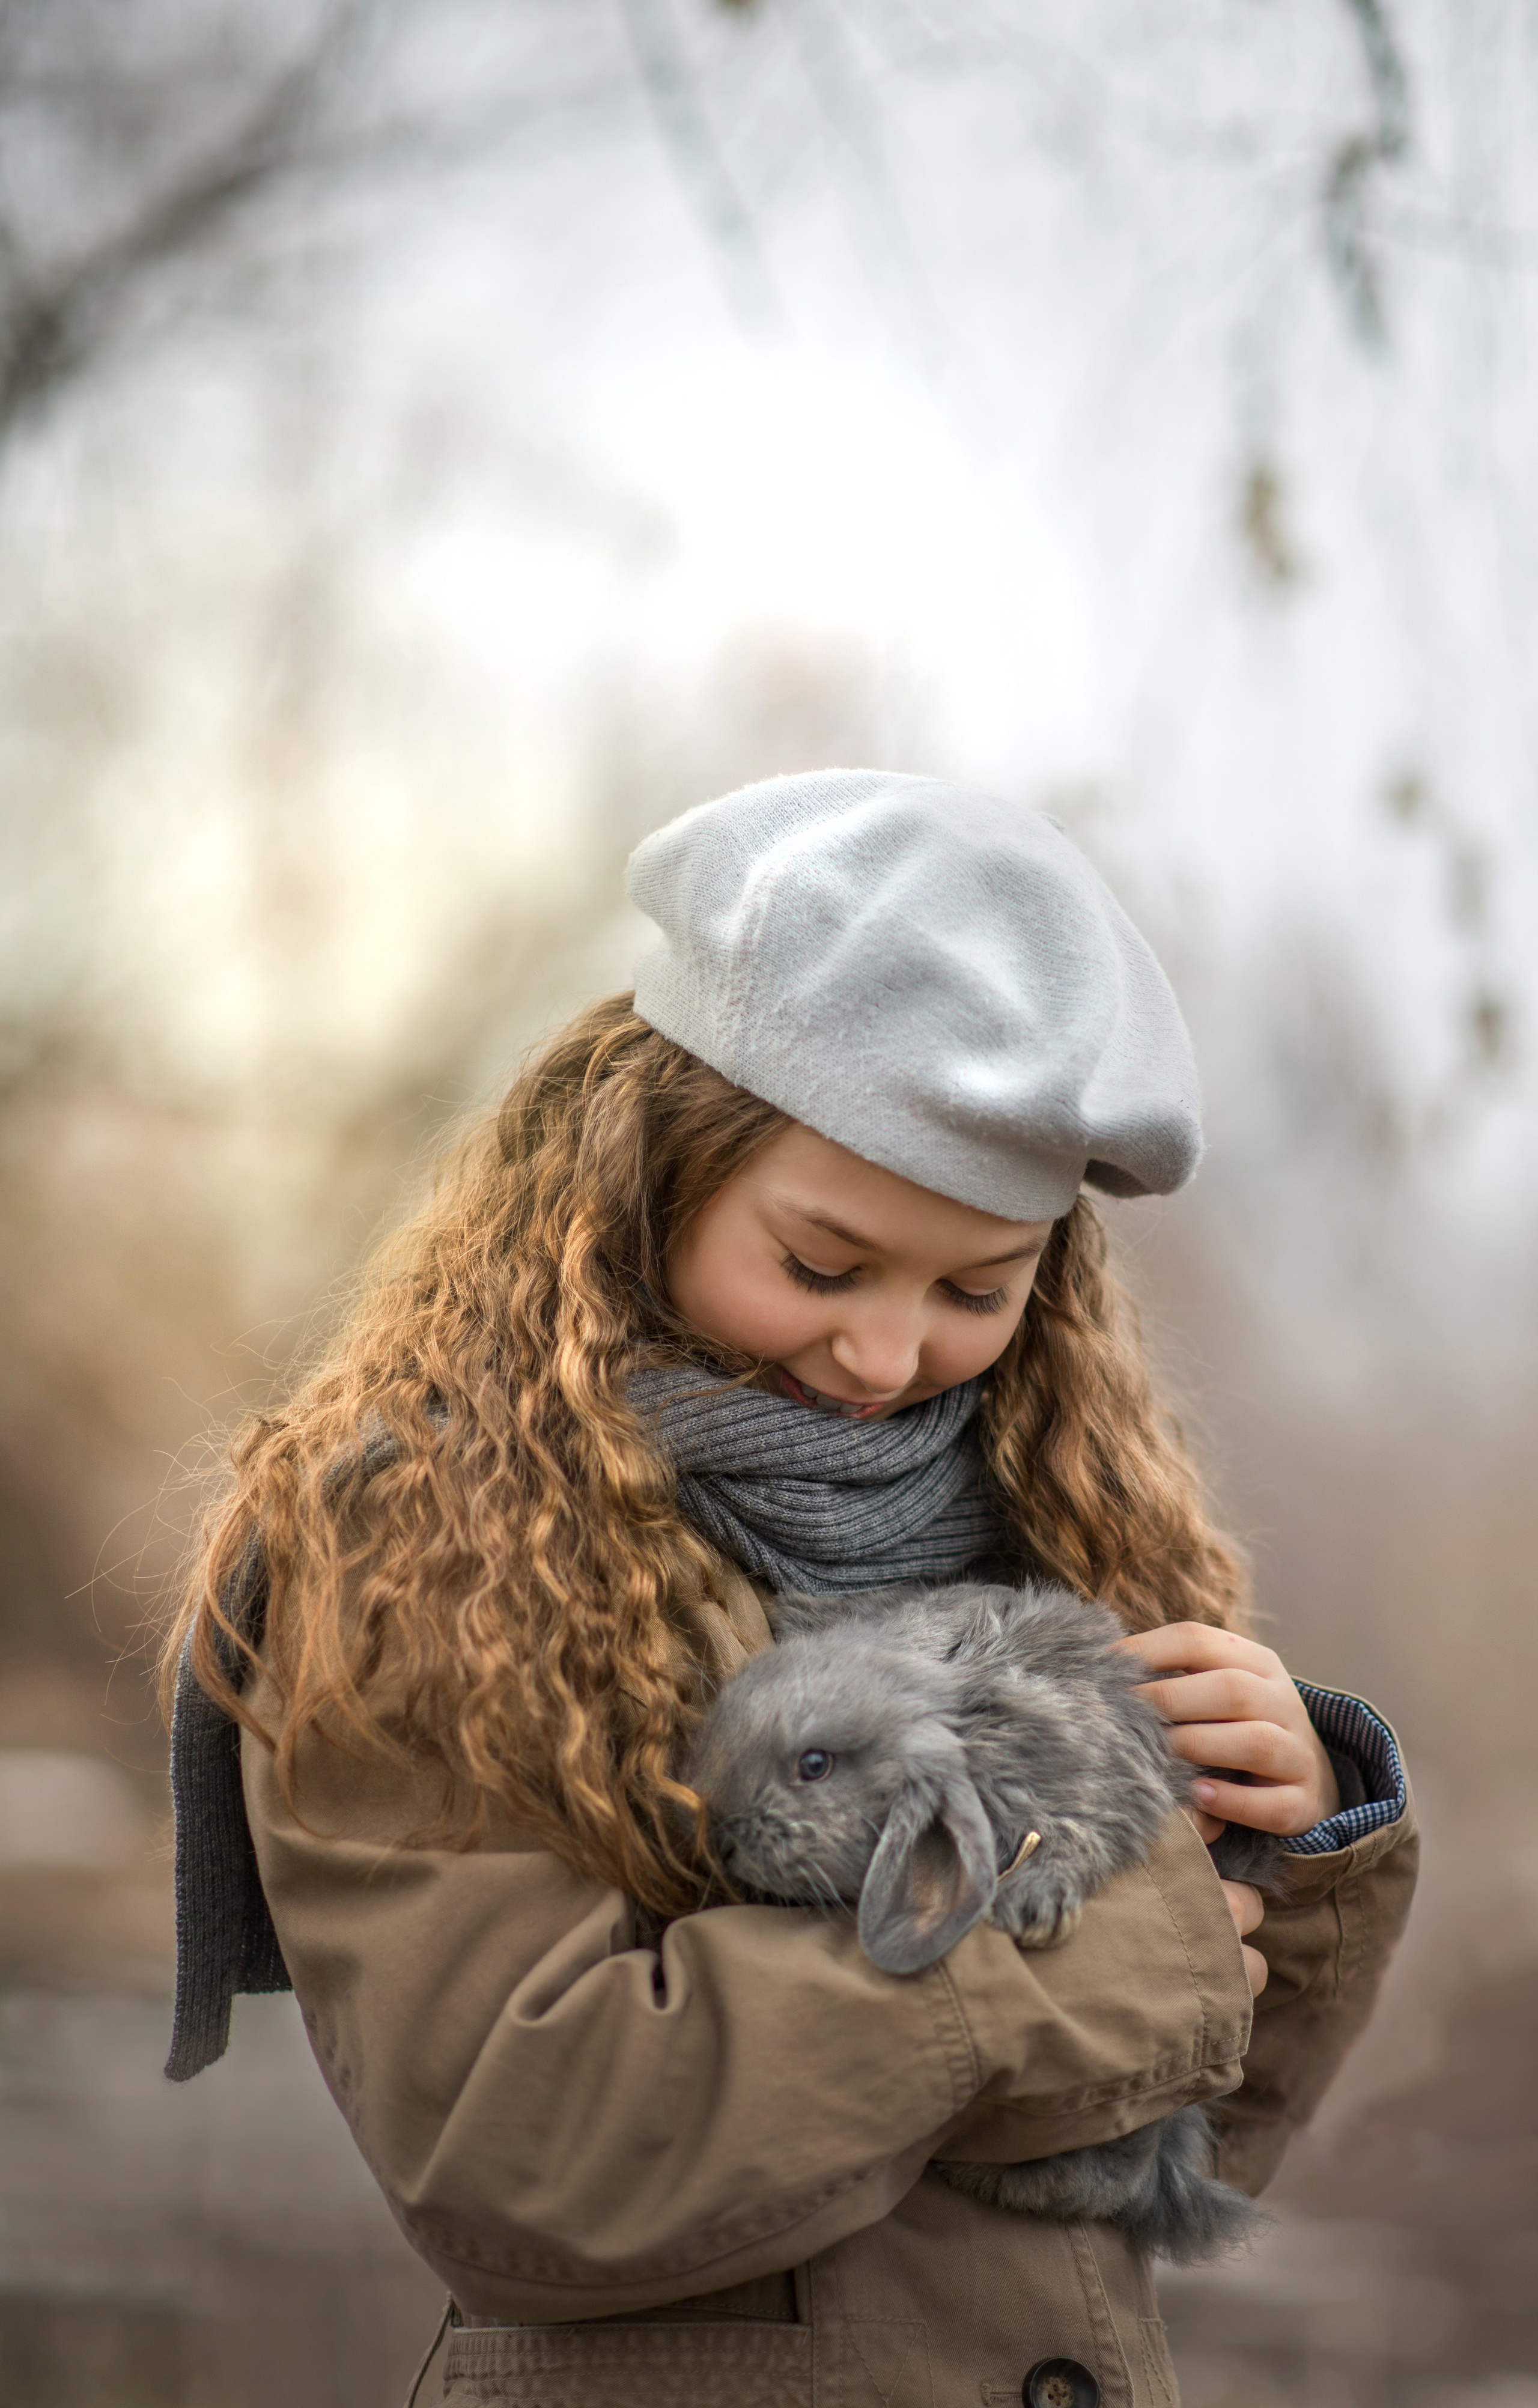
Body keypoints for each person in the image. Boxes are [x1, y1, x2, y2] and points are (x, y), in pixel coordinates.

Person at [163, 770, 1416, 2408]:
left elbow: (1161, 2168)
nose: (889, 1354)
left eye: (979, 1290)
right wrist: (1050, 1969)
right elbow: (525, 2155)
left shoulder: (1057, 1528)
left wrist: (1289, 1844)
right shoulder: (432, 1547)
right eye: (822, 1266)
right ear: (650, 1177)